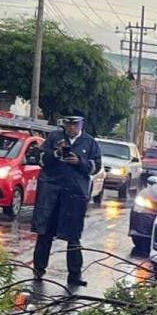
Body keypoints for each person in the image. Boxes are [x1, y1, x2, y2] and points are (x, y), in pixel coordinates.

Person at [31, 113, 101, 287]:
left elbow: (96, 166)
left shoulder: (89, 142)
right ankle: (38, 271)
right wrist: (55, 153)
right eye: (68, 124)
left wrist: (79, 161)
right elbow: (39, 159)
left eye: (75, 124)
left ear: (81, 124)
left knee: (73, 237)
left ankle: (74, 276)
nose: (71, 128)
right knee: (44, 234)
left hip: (74, 196)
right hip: (51, 194)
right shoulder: (54, 137)